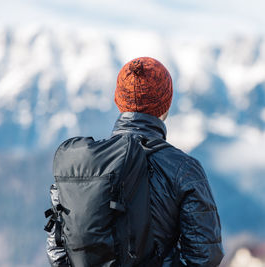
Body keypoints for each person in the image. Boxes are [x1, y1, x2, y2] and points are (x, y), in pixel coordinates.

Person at [46, 57, 224, 266]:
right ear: (165, 105)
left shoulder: (81, 166)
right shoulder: (183, 169)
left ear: (119, 101)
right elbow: (204, 256)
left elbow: (57, 250)